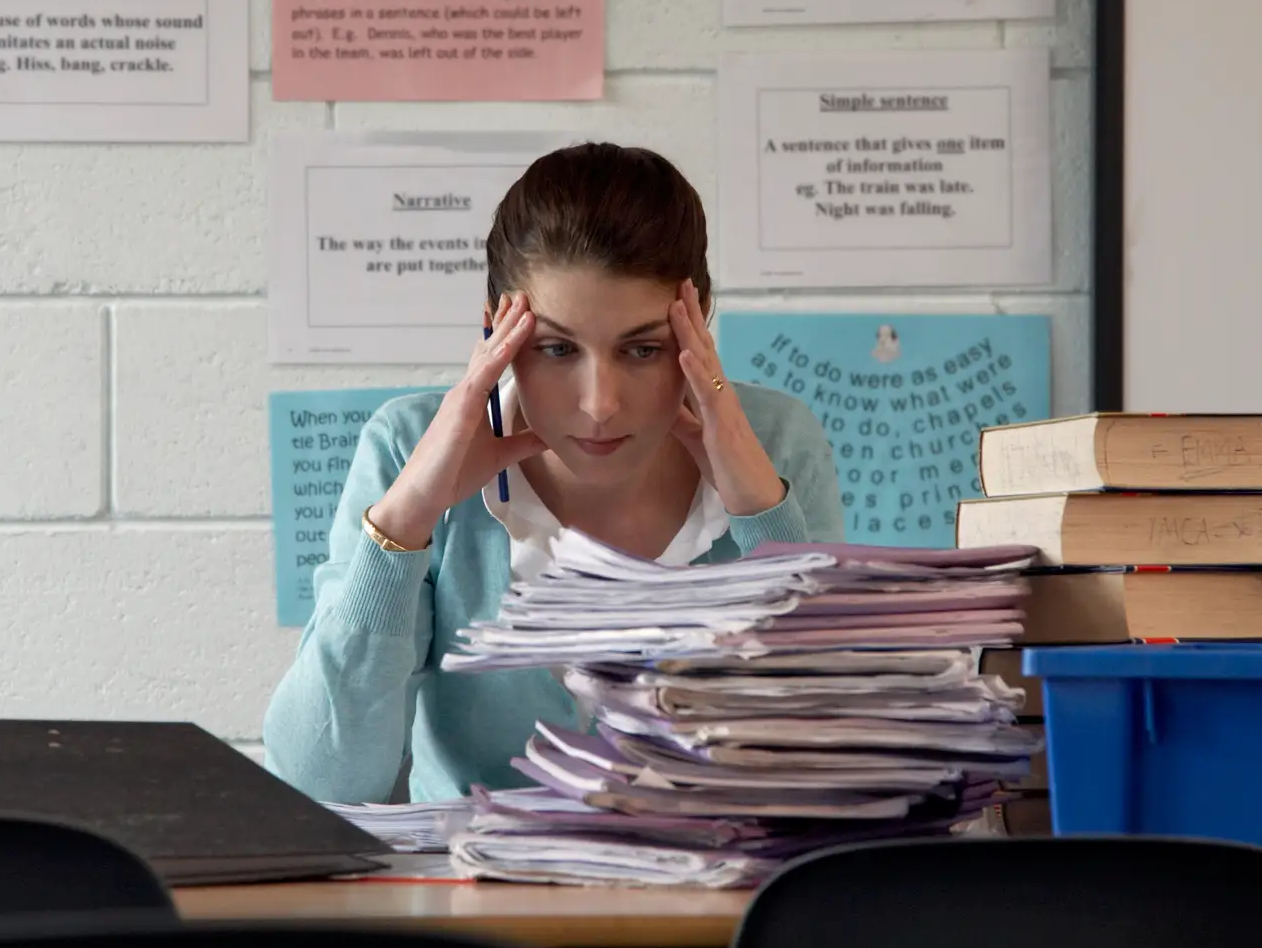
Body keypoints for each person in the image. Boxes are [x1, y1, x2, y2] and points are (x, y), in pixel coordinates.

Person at [263, 143, 844, 804]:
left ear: (697, 320)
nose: (600, 405)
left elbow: (835, 764)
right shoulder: (406, 445)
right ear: (496, 331)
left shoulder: (772, 439)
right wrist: (405, 522)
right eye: (557, 349)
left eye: (643, 349)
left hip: (717, 896)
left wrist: (763, 518)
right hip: (476, 899)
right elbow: (317, 785)